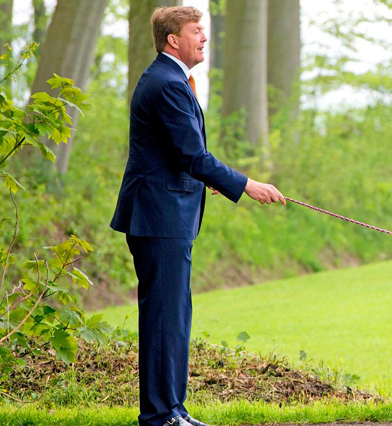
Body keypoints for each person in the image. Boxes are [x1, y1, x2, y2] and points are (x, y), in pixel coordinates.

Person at [110, 6, 285, 426]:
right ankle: (161, 416)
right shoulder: (167, 83)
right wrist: (247, 185)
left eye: (204, 30)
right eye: (196, 31)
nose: (204, 37)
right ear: (174, 39)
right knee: (165, 320)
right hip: (159, 217)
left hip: (165, 215)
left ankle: (173, 411)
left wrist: (202, 178)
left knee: (174, 317)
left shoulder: (171, 79)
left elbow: (173, 153)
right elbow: (192, 154)